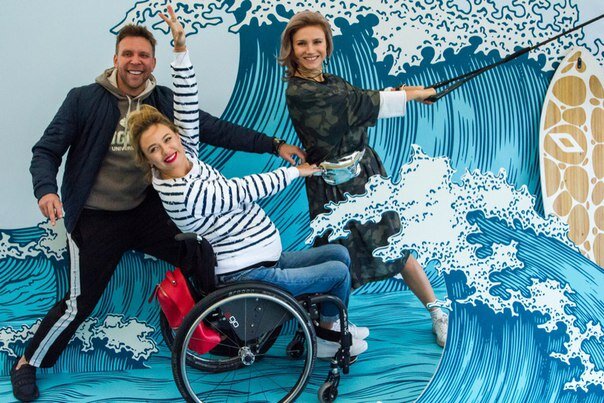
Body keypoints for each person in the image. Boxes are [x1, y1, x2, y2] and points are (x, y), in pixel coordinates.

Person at [11, 7, 305, 402]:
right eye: (128, 54)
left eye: (144, 55)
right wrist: (46, 190)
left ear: (153, 61)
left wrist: (273, 145)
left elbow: (215, 129)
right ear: (116, 58)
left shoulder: (164, 100)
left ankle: (220, 336)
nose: (135, 61)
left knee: (202, 254)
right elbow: (46, 151)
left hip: (148, 212)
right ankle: (27, 361)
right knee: (80, 301)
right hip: (97, 219)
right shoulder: (84, 99)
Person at [127, 10, 369, 364]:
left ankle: (323, 326)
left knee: (340, 255)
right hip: (248, 272)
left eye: (167, 139)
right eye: (154, 149)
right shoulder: (179, 191)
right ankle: (326, 336)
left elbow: (186, 102)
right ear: (147, 160)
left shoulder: (185, 155)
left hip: (265, 257)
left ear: (176, 135)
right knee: (336, 272)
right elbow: (238, 192)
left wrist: (180, 48)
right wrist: (295, 173)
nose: (165, 150)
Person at [279, 11, 448, 347]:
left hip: (364, 173)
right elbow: (360, 103)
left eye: (317, 42)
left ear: (327, 45)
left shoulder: (331, 81)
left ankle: (436, 312)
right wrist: (416, 94)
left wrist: (402, 92)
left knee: (394, 243)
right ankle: (327, 329)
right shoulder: (300, 92)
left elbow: (362, 100)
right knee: (335, 257)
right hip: (330, 186)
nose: (310, 50)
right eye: (302, 44)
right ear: (291, 49)